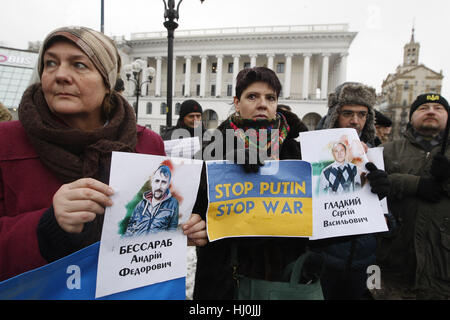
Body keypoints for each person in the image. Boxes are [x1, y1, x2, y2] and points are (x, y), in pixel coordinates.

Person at [0, 26, 206, 281]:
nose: (60, 75)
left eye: (79, 65)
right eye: (50, 63)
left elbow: (146, 231)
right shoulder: (6, 142)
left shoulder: (146, 143)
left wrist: (177, 229)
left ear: (107, 81)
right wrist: (47, 225)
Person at [192, 66, 312, 300]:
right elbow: (195, 211)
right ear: (237, 103)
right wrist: (228, 164)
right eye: (252, 96)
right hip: (226, 282)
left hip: (282, 281)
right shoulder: (212, 149)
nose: (262, 104)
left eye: (270, 98)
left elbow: (320, 215)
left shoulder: (299, 150)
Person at [309, 82, 391, 300]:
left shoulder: (374, 154)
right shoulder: (311, 153)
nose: (356, 121)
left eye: (362, 114)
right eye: (348, 113)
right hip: (322, 262)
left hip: (362, 263)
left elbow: (386, 221)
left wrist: (380, 197)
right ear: (335, 114)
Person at [374, 93, 450, 299]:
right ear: (411, 116)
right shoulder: (387, 151)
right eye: (423, 108)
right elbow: (368, 182)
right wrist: (413, 184)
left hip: (442, 265)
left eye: (438, 108)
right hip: (392, 264)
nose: (431, 111)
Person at [124, 164, 179, 236]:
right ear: (152, 182)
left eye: (164, 182)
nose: (159, 186)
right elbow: (130, 228)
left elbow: (172, 231)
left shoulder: (173, 204)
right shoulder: (141, 204)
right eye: (157, 181)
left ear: (168, 185)